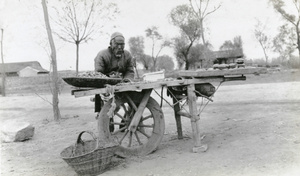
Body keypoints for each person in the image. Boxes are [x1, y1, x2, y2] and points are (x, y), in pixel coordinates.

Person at [93, 32, 135, 129]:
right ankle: (107, 123)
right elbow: (98, 74)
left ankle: (126, 121)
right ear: (111, 44)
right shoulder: (102, 55)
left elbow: (130, 71)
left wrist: (127, 80)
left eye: (122, 45)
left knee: (135, 97)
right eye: (117, 44)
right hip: (105, 85)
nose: (120, 47)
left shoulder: (127, 55)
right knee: (105, 100)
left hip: (122, 84)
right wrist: (110, 79)